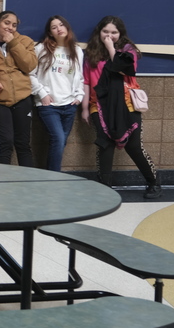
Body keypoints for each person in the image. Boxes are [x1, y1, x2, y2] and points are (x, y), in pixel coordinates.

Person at [82, 16, 161, 198]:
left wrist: (111, 48)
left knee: (133, 146)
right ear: (99, 32)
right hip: (99, 106)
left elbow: (124, 68)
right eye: (106, 32)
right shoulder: (91, 52)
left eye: (114, 32)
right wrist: (85, 108)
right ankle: (105, 189)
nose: (109, 35)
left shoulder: (128, 50)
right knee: (105, 145)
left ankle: (153, 183)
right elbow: (86, 81)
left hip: (127, 104)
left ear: (120, 33)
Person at [30, 15, 84, 171]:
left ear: (67, 27)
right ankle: (54, 178)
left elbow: (80, 76)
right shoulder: (41, 48)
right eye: (54, 27)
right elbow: (30, 74)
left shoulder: (77, 50)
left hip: (69, 104)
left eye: (61, 25)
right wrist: (42, 94)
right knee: (58, 139)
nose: (59, 29)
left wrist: (79, 95)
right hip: (49, 104)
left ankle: (50, 175)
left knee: (61, 142)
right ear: (50, 32)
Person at [0, 10, 38, 166]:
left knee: (23, 144)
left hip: (22, 97)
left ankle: (27, 185)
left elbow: (29, 65)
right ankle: (2, 185)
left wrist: (13, 43)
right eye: (6, 23)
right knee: (5, 142)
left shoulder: (24, 41)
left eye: (14, 25)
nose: (10, 28)